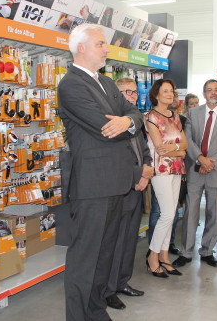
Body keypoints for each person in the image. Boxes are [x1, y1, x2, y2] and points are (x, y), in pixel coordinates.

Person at [57, 23, 144, 321]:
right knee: (85, 258)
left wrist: (127, 121)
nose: (107, 48)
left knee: (104, 256)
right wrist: (123, 124)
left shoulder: (107, 84)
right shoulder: (70, 84)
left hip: (116, 182)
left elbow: (135, 113)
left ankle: (95, 312)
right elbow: (102, 127)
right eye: (101, 43)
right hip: (93, 185)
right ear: (82, 47)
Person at [172, 79, 217, 269]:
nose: (213, 93)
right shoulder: (194, 113)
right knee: (190, 212)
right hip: (195, 168)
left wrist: (211, 163)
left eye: (216, 90)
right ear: (204, 93)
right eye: (209, 90)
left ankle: (207, 251)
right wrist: (201, 158)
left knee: (214, 214)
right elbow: (188, 138)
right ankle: (186, 252)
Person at [105, 78, 154, 310]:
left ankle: (122, 282)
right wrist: (139, 174)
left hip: (136, 189)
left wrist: (146, 173)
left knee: (129, 240)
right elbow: (112, 160)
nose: (133, 96)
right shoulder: (112, 123)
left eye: (134, 92)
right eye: (127, 92)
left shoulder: (134, 122)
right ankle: (108, 290)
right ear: (115, 94)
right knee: (114, 243)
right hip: (119, 191)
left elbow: (144, 151)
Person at [145, 79, 188, 278]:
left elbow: (185, 145)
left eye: (172, 91)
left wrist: (176, 150)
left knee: (172, 214)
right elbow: (158, 146)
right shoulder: (151, 116)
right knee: (168, 214)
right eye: (165, 91)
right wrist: (177, 150)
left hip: (177, 169)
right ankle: (152, 256)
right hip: (160, 169)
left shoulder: (175, 115)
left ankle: (164, 256)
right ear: (156, 94)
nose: (170, 94)